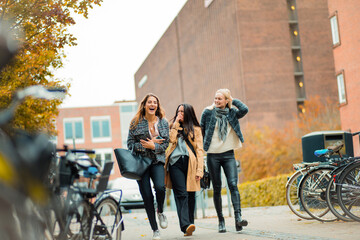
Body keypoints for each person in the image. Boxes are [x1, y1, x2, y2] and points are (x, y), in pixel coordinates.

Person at [200, 88, 249, 233]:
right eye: (215, 98)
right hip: (213, 155)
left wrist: (232, 101)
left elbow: (244, 109)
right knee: (216, 187)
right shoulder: (207, 112)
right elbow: (201, 130)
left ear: (226, 100)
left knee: (233, 184)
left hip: (228, 154)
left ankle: (238, 218)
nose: (216, 101)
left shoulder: (232, 112)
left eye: (219, 99)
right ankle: (221, 221)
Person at [127, 93, 169, 240]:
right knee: (147, 196)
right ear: (144, 105)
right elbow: (130, 145)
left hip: (157, 161)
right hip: (141, 163)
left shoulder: (163, 122)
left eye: (155, 102)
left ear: (157, 105)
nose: (152, 104)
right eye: (149, 102)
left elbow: (166, 143)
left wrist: (154, 147)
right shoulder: (135, 122)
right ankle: (155, 229)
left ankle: (161, 211)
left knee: (160, 188)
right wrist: (148, 145)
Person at [164, 103, 204, 236]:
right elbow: (170, 140)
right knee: (181, 194)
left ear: (188, 113)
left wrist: (200, 170)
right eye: (178, 111)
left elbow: (199, 150)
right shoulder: (172, 127)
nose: (180, 113)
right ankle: (186, 224)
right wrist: (176, 124)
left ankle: (189, 225)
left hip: (191, 163)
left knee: (191, 195)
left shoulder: (196, 129)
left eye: (183, 111)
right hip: (175, 163)